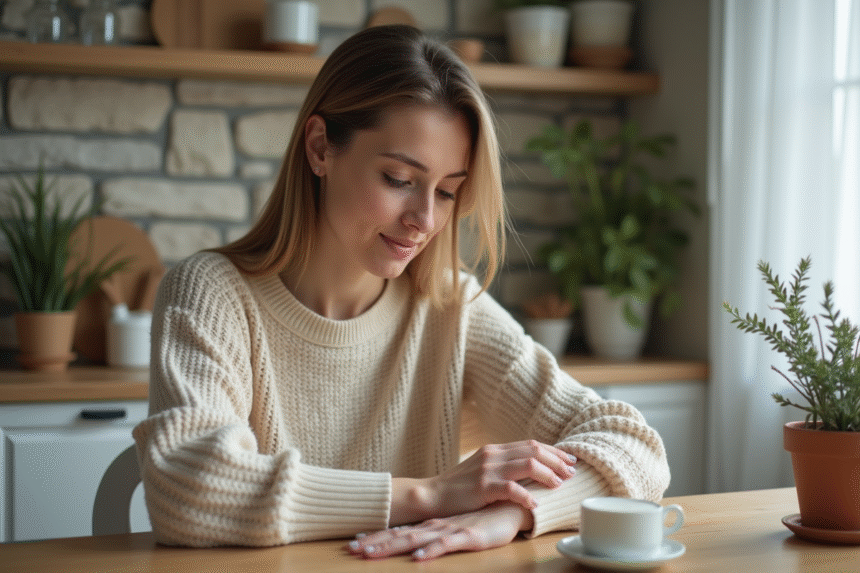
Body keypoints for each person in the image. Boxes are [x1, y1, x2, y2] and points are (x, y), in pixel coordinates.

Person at [132, 24, 670, 561]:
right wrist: (429, 496)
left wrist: (514, 513)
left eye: (448, 190)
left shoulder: (449, 306)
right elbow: (187, 488)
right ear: (320, 148)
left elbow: (634, 448)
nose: (425, 219)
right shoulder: (212, 294)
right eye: (398, 179)